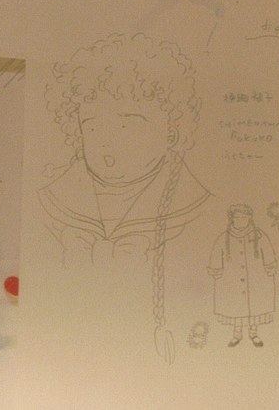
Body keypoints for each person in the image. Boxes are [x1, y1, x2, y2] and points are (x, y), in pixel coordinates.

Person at [40, 32, 211, 362]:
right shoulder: (54, 204)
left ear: (172, 129)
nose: (107, 142)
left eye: (128, 126)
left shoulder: (196, 209)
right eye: (92, 127)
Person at [207, 204, 277, 347]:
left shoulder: (259, 235)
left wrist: (269, 266)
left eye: (244, 217)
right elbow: (216, 255)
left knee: (255, 307)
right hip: (232, 278)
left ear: (249, 218)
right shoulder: (224, 237)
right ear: (232, 219)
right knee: (236, 306)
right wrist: (216, 269)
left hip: (255, 277)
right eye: (237, 217)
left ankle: (253, 334)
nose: (240, 220)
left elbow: (268, 251)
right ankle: (237, 335)